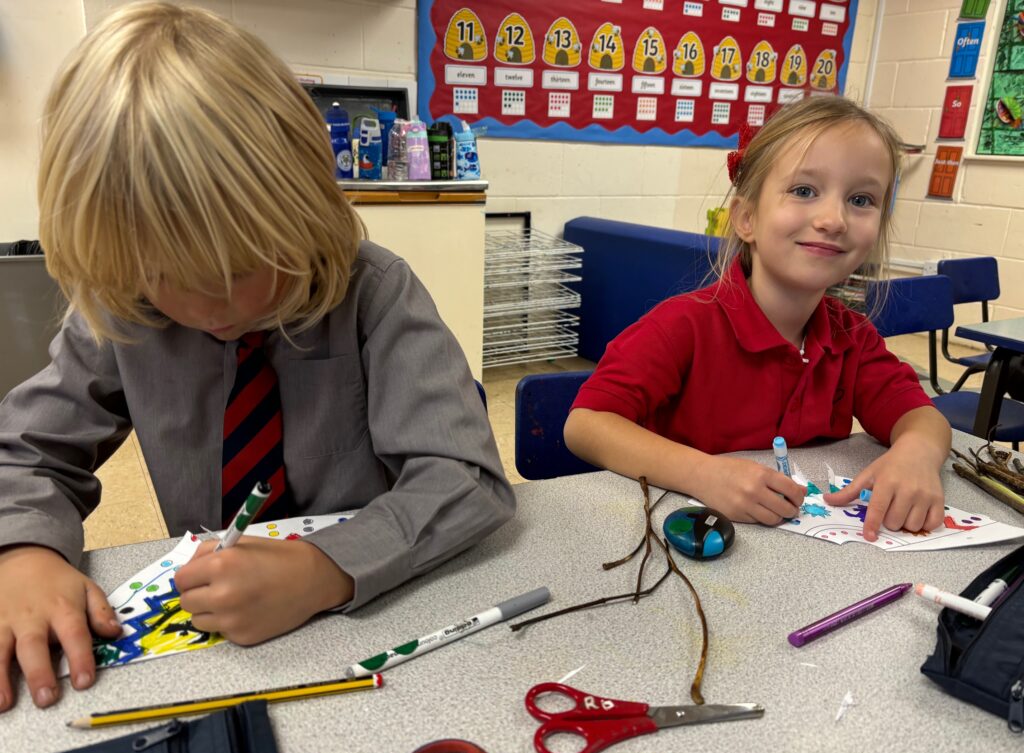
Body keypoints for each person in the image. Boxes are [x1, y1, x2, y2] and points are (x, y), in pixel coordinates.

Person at [0, 2, 514, 713]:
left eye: (240, 267)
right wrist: (25, 553)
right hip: (224, 650)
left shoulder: (376, 292)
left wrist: (328, 568)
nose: (210, 310)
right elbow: (25, 453)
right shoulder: (123, 306)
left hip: (377, 629)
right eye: (163, 280)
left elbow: (465, 479)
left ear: (304, 208)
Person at [564, 96, 951, 544]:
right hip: (691, 545)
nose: (833, 219)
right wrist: (702, 473)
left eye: (861, 199)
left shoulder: (852, 337)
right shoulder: (684, 325)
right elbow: (586, 424)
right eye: (804, 190)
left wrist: (918, 453)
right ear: (747, 218)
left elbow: (920, 416)